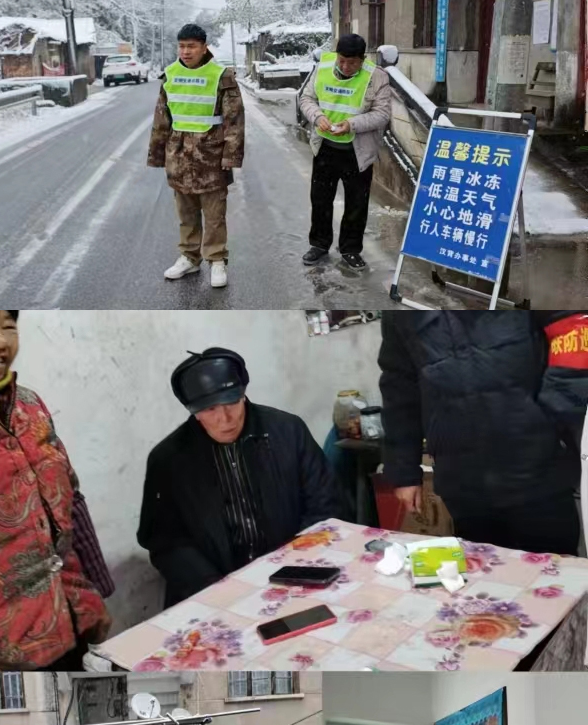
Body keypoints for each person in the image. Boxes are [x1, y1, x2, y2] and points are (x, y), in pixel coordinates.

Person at [0, 310, 111, 670]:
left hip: (69, 622)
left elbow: (71, 498)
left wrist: (95, 593)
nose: (0, 340)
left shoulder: (29, 405)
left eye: (9, 325)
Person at [137, 347, 348, 607]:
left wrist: (293, 564)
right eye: (210, 409)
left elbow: (325, 503)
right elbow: (166, 542)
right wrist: (218, 589)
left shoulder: (287, 431)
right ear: (193, 410)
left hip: (295, 570)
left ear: (244, 394)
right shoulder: (168, 459)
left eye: (232, 403)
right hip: (213, 589)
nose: (225, 419)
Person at [379, 312, 588, 555]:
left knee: (557, 578)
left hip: (537, 471)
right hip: (463, 482)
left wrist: (548, 418)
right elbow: (399, 389)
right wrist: (404, 473)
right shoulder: (403, 305)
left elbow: (575, 329)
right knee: (487, 579)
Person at [147, 23, 245, 289]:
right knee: (186, 213)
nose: (186, 51)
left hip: (210, 155)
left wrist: (230, 158)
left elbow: (234, 121)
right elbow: (161, 118)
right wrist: (158, 154)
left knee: (214, 213)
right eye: (182, 46)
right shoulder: (170, 75)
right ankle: (189, 257)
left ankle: (216, 259)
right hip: (178, 155)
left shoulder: (221, 76)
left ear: (204, 47)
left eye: (191, 46)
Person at [296, 33, 392, 269]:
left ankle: (350, 249)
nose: (345, 66)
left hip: (357, 152)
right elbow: (306, 98)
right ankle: (319, 244)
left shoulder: (377, 77)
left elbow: (382, 114)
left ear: (362, 59)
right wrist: (317, 117)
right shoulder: (323, 67)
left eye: (352, 62)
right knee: (320, 200)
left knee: (356, 204)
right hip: (325, 149)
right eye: (341, 60)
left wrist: (352, 125)